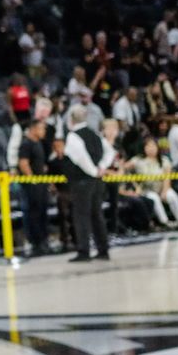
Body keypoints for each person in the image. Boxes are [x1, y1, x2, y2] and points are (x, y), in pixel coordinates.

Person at [63, 105, 115, 262]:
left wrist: (93, 170)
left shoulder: (73, 136)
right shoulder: (95, 134)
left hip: (82, 181)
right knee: (97, 214)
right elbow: (110, 151)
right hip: (97, 181)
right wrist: (102, 167)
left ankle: (84, 251)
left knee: (81, 215)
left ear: (71, 119)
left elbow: (81, 157)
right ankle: (103, 249)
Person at [130, 138, 178, 229]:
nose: (151, 148)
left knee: (171, 195)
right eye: (148, 146)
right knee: (154, 198)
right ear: (144, 148)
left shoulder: (164, 160)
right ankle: (165, 222)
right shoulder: (138, 160)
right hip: (147, 190)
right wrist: (135, 186)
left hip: (162, 188)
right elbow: (124, 169)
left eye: (153, 146)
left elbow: (167, 177)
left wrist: (164, 191)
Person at [18, 120, 50, 257]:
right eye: (42, 128)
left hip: (41, 183)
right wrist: (33, 180)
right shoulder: (26, 144)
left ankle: (43, 239)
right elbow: (23, 163)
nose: (44, 131)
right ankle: (37, 241)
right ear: (33, 129)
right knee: (34, 212)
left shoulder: (38, 143)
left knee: (42, 211)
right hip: (32, 185)